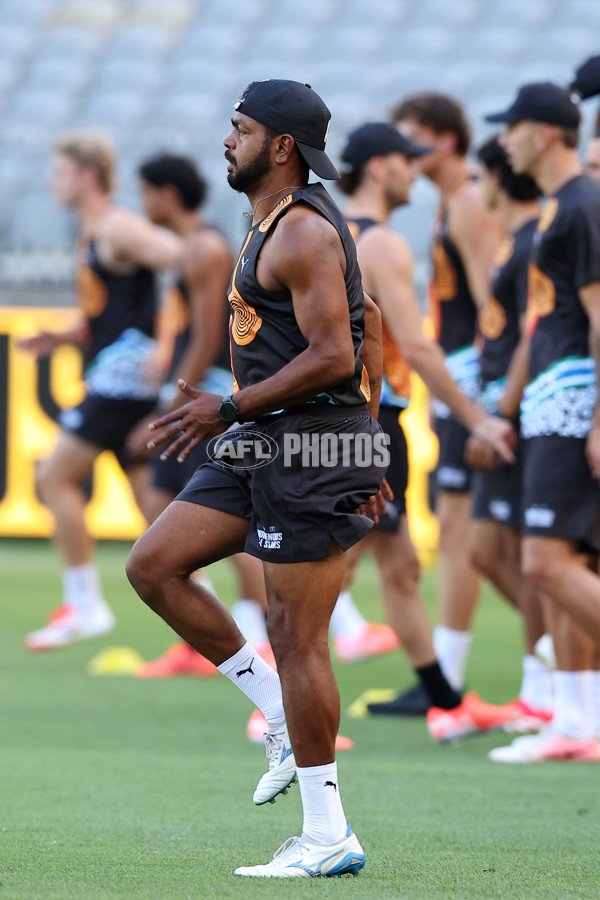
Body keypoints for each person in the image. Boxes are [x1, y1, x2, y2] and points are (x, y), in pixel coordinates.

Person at [126, 79, 393, 878]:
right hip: (263, 442)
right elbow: (368, 316)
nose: (225, 140)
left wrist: (236, 408)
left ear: (280, 145)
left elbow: (337, 353)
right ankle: (275, 710)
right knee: (153, 565)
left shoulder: (304, 230)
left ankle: (327, 835)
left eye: (239, 128)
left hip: (310, 447)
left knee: (297, 636)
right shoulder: (265, 221)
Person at [337, 122, 519, 740]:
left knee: (399, 562)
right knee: (337, 564)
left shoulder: (327, 229)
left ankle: (444, 701)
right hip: (370, 422)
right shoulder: (382, 243)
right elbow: (416, 344)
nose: (416, 172)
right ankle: (275, 702)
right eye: (406, 162)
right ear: (379, 168)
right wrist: (479, 419)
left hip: (348, 420)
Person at [19, 132, 183, 652]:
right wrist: (65, 334)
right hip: (116, 373)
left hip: (122, 380)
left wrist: (168, 341)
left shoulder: (115, 225)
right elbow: (111, 311)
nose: (53, 182)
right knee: (155, 508)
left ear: (88, 175)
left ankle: (84, 604)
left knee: (53, 477)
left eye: (61, 172)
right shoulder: (93, 230)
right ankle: (211, 620)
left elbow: (189, 261)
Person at [482, 81, 600, 763]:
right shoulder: (561, 208)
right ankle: (576, 721)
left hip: (572, 398)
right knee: (561, 563)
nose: (504, 141)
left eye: (514, 127)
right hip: (552, 397)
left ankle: (576, 717)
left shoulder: (581, 206)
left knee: (546, 563)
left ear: (546, 133)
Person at [122, 153, 272, 679]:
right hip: (191, 399)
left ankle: (262, 641)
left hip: (206, 402)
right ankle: (198, 634)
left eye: (144, 193)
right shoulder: (192, 248)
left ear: (166, 193)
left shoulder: (206, 248)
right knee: (162, 510)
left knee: (223, 526)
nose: (141, 205)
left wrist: (171, 405)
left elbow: (209, 335)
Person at [391, 93, 504, 701]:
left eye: (415, 138)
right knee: (472, 534)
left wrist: (484, 402)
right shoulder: (450, 203)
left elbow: (495, 308)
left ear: (448, 138)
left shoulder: (467, 203)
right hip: (464, 380)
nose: (406, 153)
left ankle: (450, 680)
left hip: (475, 382)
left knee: (470, 534)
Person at [466, 137, 553, 732]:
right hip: (505, 406)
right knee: (495, 552)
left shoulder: (531, 245)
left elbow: (531, 333)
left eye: (483, 174)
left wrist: (500, 409)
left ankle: (551, 684)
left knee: (534, 556)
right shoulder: (515, 242)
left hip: (517, 413)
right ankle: (548, 674)